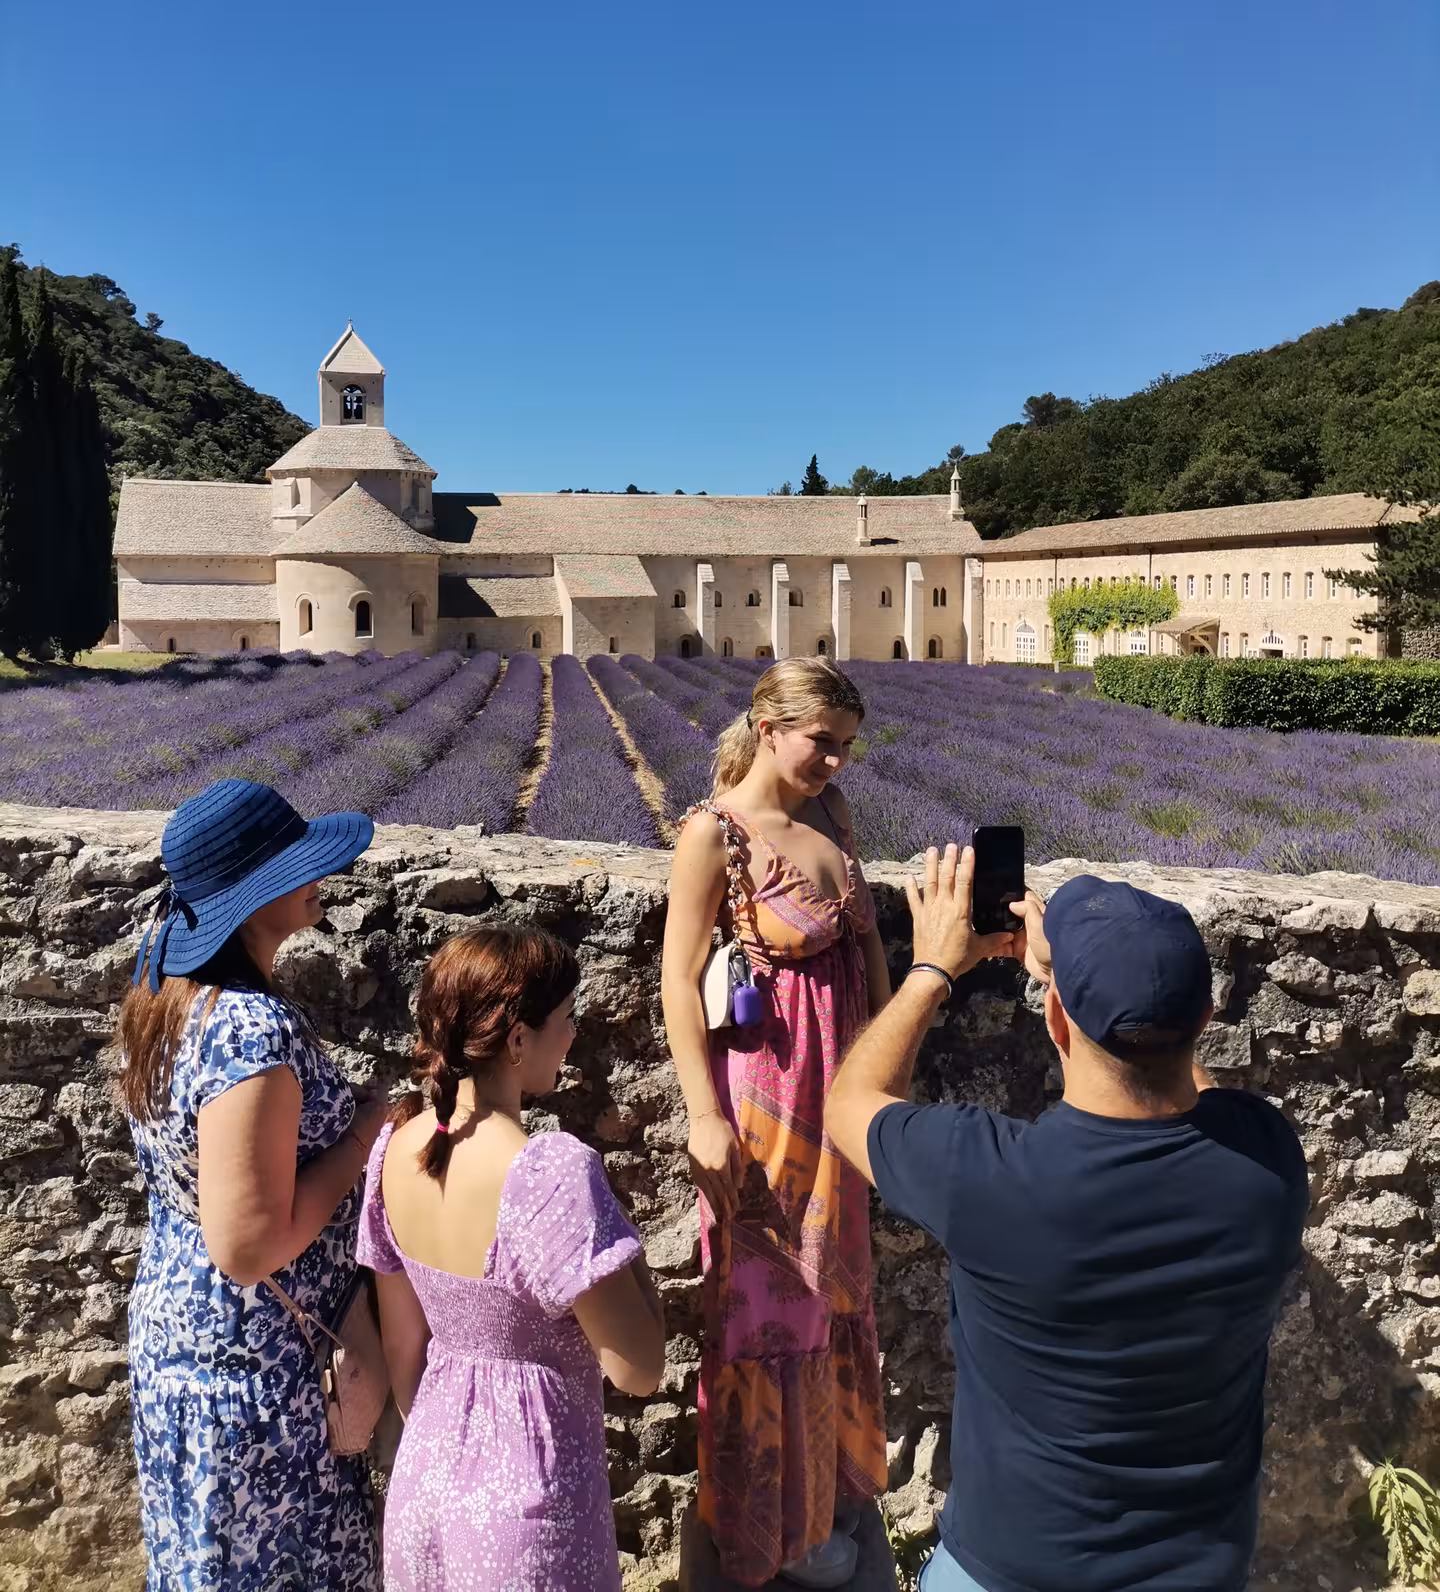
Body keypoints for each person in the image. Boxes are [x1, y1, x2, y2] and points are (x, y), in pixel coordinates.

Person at [824, 845, 1310, 1592]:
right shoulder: (1269, 1162)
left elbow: (848, 1104)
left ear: (1053, 1019)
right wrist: (1091, 989)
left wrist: (932, 971)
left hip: (1010, 1569)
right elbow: (1195, 1094)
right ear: (1206, 1020)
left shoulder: (986, 1179)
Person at [116, 776, 388, 1591]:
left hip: (186, 1348)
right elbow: (246, 1245)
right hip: (257, 1373)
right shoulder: (249, 1030)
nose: (319, 877)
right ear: (250, 898)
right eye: (296, 865)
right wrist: (364, 1136)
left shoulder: (165, 1001)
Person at [661, 657, 891, 1589]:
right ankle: (762, 1532)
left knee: (836, 1292)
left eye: (845, 747)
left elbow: (867, 950)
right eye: (820, 743)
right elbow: (679, 978)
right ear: (768, 726)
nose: (836, 763)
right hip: (766, 1100)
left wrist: (884, 1074)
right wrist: (702, 1111)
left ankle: (824, 1512)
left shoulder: (830, 818)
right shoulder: (715, 834)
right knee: (764, 1304)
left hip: (842, 1098)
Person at [357, 924, 666, 1592]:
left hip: (425, 1487)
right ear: (519, 1039)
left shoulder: (395, 1148)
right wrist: (623, 1248)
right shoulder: (548, 1173)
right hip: (528, 1510)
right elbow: (639, 1368)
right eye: (566, 1018)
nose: (574, 1034)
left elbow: (404, 1355)